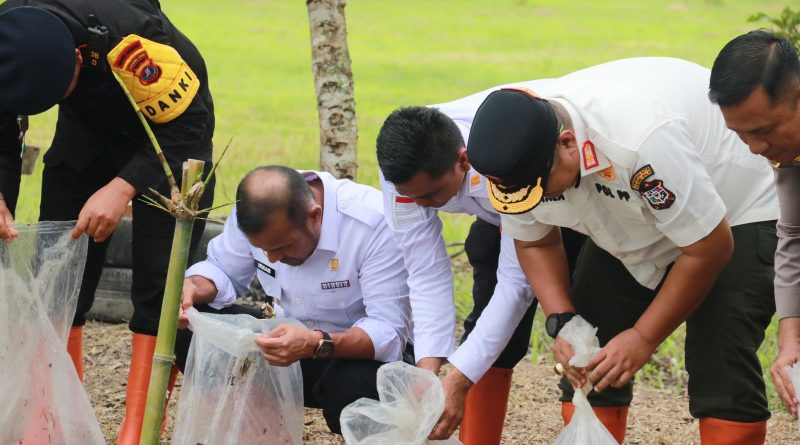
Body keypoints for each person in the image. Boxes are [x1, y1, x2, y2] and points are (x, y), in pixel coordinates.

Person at [466, 57, 778, 444]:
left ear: (567, 143)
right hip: (628, 213)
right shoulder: (518, 163)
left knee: (720, 358)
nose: (539, 199)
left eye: (541, 187)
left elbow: (709, 249)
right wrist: (563, 321)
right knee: (592, 352)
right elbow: (534, 240)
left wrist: (644, 338)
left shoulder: (639, 140)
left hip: (735, 206)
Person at [0, 2, 215, 443]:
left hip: (162, 134)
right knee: (56, 266)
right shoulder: (10, 37)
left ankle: (137, 427)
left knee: (158, 283)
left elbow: (192, 130)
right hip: (84, 126)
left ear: (78, 57)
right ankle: (54, 414)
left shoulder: (139, 43)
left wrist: (122, 187)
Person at [376, 105, 584, 444]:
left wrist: (458, 379)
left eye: (429, 194)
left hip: (566, 200)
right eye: (411, 196)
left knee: (578, 332)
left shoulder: (503, 156)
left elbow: (518, 281)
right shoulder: (403, 173)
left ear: (463, 160)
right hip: (498, 214)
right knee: (485, 294)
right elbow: (424, 268)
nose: (422, 204)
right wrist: (428, 371)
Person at [178, 166, 413, 435]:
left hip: (359, 356)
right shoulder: (255, 213)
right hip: (287, 347)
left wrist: (314, 342)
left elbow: (388, 333)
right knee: (194, 327)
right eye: (264, 250)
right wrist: (193, 288)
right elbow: (222, 269)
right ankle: (261, 434)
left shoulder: (373, 223)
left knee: (350, 387)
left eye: (282, 247)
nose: (273, 258)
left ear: (315, 216)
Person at [709, 30, 800, 420]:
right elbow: (793, 236)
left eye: (762, 130)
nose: (754, 147)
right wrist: (791, 336)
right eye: (740, 134)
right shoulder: (789, 154)